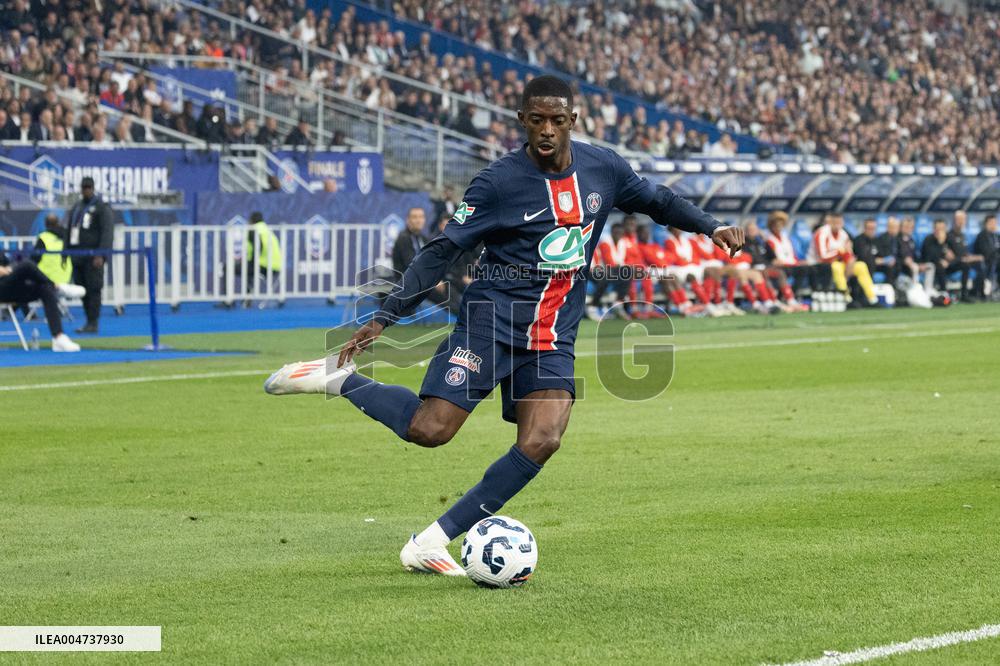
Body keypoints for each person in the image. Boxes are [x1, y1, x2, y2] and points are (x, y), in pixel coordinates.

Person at [263, 76, 743, 576]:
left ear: (573, 121)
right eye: (537, 120)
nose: (547, 130)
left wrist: (711, 226)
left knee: (544, 438)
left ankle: (429, 542)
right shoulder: (498, 183)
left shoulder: (603, 168)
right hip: (491, 321)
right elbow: (443, 250)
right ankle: (339, 380)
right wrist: (387, 314)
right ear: (522, 121)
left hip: (553, 334)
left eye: (557, 120)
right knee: (430, 429)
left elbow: (658, 200)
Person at [0, 251, 82, 351]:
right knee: (26, 265)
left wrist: (9, 268)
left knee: (45, 288)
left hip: (8, 287)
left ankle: (58, 337)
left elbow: (8, 264)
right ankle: (57, 287)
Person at [63, 176, 113, 334]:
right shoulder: (77, 207)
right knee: (82, 289)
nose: (86, 190)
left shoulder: (101, 207)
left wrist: (101, 254)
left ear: (93, 188)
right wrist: (65, 251)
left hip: (93, 256)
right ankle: (88, 320)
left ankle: (93, 321)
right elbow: (69, 229)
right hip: (77, 254)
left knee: (94, 288)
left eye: (88, 187)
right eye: (84, 187)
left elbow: (107, 232)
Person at [390, 207, 452, 312]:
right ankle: (463, 317)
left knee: (450, 286)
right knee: (449, 299)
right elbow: (413, 265)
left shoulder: (423, 238)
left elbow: (432, 261)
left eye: (421, 217)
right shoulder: (404, 238)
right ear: (408, 220)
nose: (418, 220)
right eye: (415, 217)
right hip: (409, 284)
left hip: (423, 282)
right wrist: (433, 281)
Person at [808, 213, 877, 306]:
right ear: (830, 223)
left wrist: (849, 261)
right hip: (818, 264)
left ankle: (872, 298)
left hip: (840, 262)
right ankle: (846, 298)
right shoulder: (822, 233)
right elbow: (823, 257)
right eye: (835, 223)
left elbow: (848, 252)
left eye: (839, 223)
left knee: (861, 266)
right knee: (836, 267)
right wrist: (840, 252)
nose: (837, 225)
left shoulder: (843, 234)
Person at [922, 218, 972, 300]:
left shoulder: (950, 238)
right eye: (938, 229)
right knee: (939, 266)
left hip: (949, 265)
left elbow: (960, 255)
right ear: (934, 229)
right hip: (935, 267)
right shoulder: (929, 239)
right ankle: (944, 294)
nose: (940, 231)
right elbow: (928, 257)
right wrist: (940, 244)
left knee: (965, 265)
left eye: (942, 228)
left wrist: (949, 263)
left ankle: (964, 294)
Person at [244, 212, 283, 304]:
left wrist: (250, 261)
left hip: (263, 266)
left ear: (251, 221)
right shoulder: (267, 229)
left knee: (232, 268)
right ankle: (247, 297)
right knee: (247, 268)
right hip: (277, 267)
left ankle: (230, 300)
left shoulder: (253, 229)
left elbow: (259, 248)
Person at [948, 210, 985, 300]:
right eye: (959, 219)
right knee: (966, 265)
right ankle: (964, 295)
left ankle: (978, 293)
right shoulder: (948, 235)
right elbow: (948, 255)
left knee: (979, 263)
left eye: (963, 219)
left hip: (964, 260)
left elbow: (964, 253)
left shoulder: (962, 235)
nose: (961, 222)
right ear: (954, 220)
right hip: (953, 264)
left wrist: (973, 257)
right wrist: (962, 259)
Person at [33, 214, 72, 286]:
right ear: (58, 223)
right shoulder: (67, 237)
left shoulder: (43, 238)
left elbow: (33, 259)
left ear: (45, 225)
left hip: (47, 281)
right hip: (67, 280)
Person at [973, 215, 999, 299]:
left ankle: (996, 290)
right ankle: (985, 292)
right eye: (992, 223)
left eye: (995, 223)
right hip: (985, 261)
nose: (994, 225)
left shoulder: (996, 236)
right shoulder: (982, 236)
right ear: (986, 224)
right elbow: (985, 252)